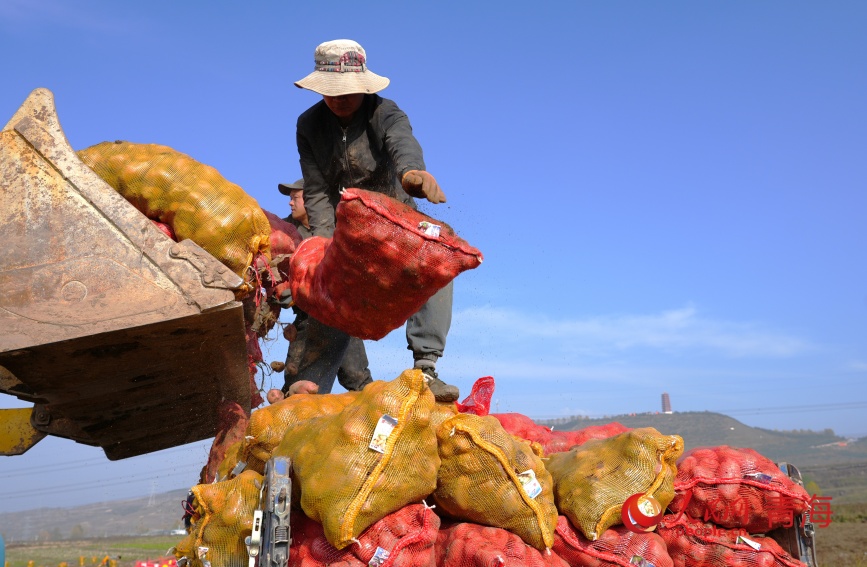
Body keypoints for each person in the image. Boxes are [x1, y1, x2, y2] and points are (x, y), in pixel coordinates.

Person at [290, 38, 458, 402]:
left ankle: (426, 368)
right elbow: (316, 189)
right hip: (346, 223)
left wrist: (412, 173)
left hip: (396, 218)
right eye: (332, 92)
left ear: (363, 86)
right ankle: (310, 385)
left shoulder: (386, 112)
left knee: (439, 258)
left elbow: (402, 143)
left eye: (348, 91)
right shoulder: (309, 125)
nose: (339, 99)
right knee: (329, 285)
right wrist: (324, 241)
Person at [276, 179, 374, 397]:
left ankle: (374, 426)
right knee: (300, 389)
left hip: (343, 317)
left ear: (311, 199)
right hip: (308, 321)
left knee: (359, 381)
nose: (290, 203)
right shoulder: (285, 232)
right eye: (290, 199)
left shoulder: (339, 228)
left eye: (295, 198)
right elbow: (275, 276)